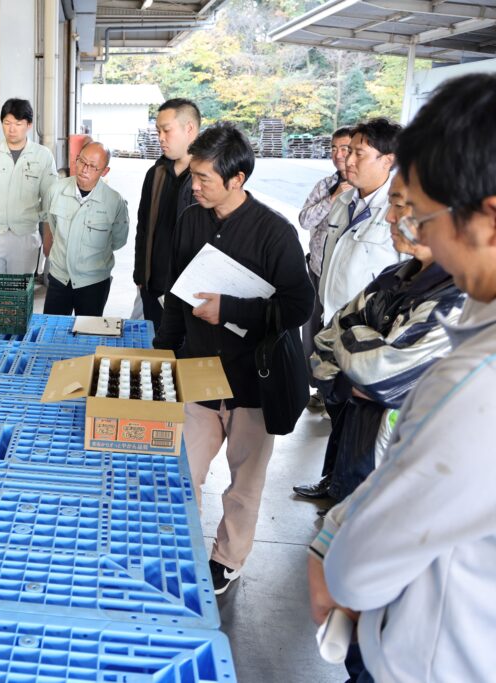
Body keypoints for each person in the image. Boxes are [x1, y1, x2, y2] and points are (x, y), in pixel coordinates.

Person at [308, 72, 496, 683]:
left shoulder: (477, 379)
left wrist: (330, 556)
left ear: (487, 215)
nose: (415, 235)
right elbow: (337, 330)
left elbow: (362, 565)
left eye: (424, 214)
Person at [153, 122, 314, 595]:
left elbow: (298, 306)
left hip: (253, 381)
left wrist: (233, 309)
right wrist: (166, 352)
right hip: (200, 369)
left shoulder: (275, 233)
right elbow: (178, 296)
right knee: (182, 472)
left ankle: (227, 557)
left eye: (203, 178)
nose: (194, 185)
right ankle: (175, 547)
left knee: (244, 483)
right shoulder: (191, 220)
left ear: (236, 180)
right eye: (193, 175)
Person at [293, 172, 464, 506]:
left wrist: (355, 350)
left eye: (400, 205)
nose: (388, 216)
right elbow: (325, 342)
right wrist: (352, 373)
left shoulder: (458, 300)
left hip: (404, 491)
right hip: (359, 462)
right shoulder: (393, 278)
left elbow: (381, 377)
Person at [319, 119, 405, 326]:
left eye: (359, 154)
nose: (348, 161)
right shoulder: (342, 202)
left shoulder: (400, 211)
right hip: (330, 322)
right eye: (349, 152)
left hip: (370, 331)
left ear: (387, 160)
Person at [0, 98, 57, 275]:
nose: (11, 129)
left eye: (18, 123)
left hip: (25, 235)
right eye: (7, 123)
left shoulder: (42, 156)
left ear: (29, 125)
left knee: (20, 292)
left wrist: (49, 235)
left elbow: (49, 200)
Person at [41, 141, 129, 316]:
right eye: (81, 161)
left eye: (93, 166)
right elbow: (51, 224)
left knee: (88, 333)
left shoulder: (114, 201)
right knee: (52, 330)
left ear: (104, 171)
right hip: (59, 278)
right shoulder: (55, 191)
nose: (84, 169)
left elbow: (118, 241)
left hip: (94, 282)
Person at [298, 127, 352, 410]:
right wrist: (332, 198)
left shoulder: (366, 192)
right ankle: (319, 387)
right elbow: (305, 220)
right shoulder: (325, 186)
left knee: (342, 337)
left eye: (344, 148)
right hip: (317, 271)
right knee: (312, 335)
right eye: (333, 148)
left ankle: (339, 394)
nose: (338, 155)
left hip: (346, 282)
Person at [134, 98, 200, 328]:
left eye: (166, 130)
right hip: (153, 286)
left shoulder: (209, 177)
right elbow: (143, 227)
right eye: (158, 131)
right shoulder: (157, 173)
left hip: (188, 293)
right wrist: (141, 276)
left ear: (189, 129)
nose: (160, 137)